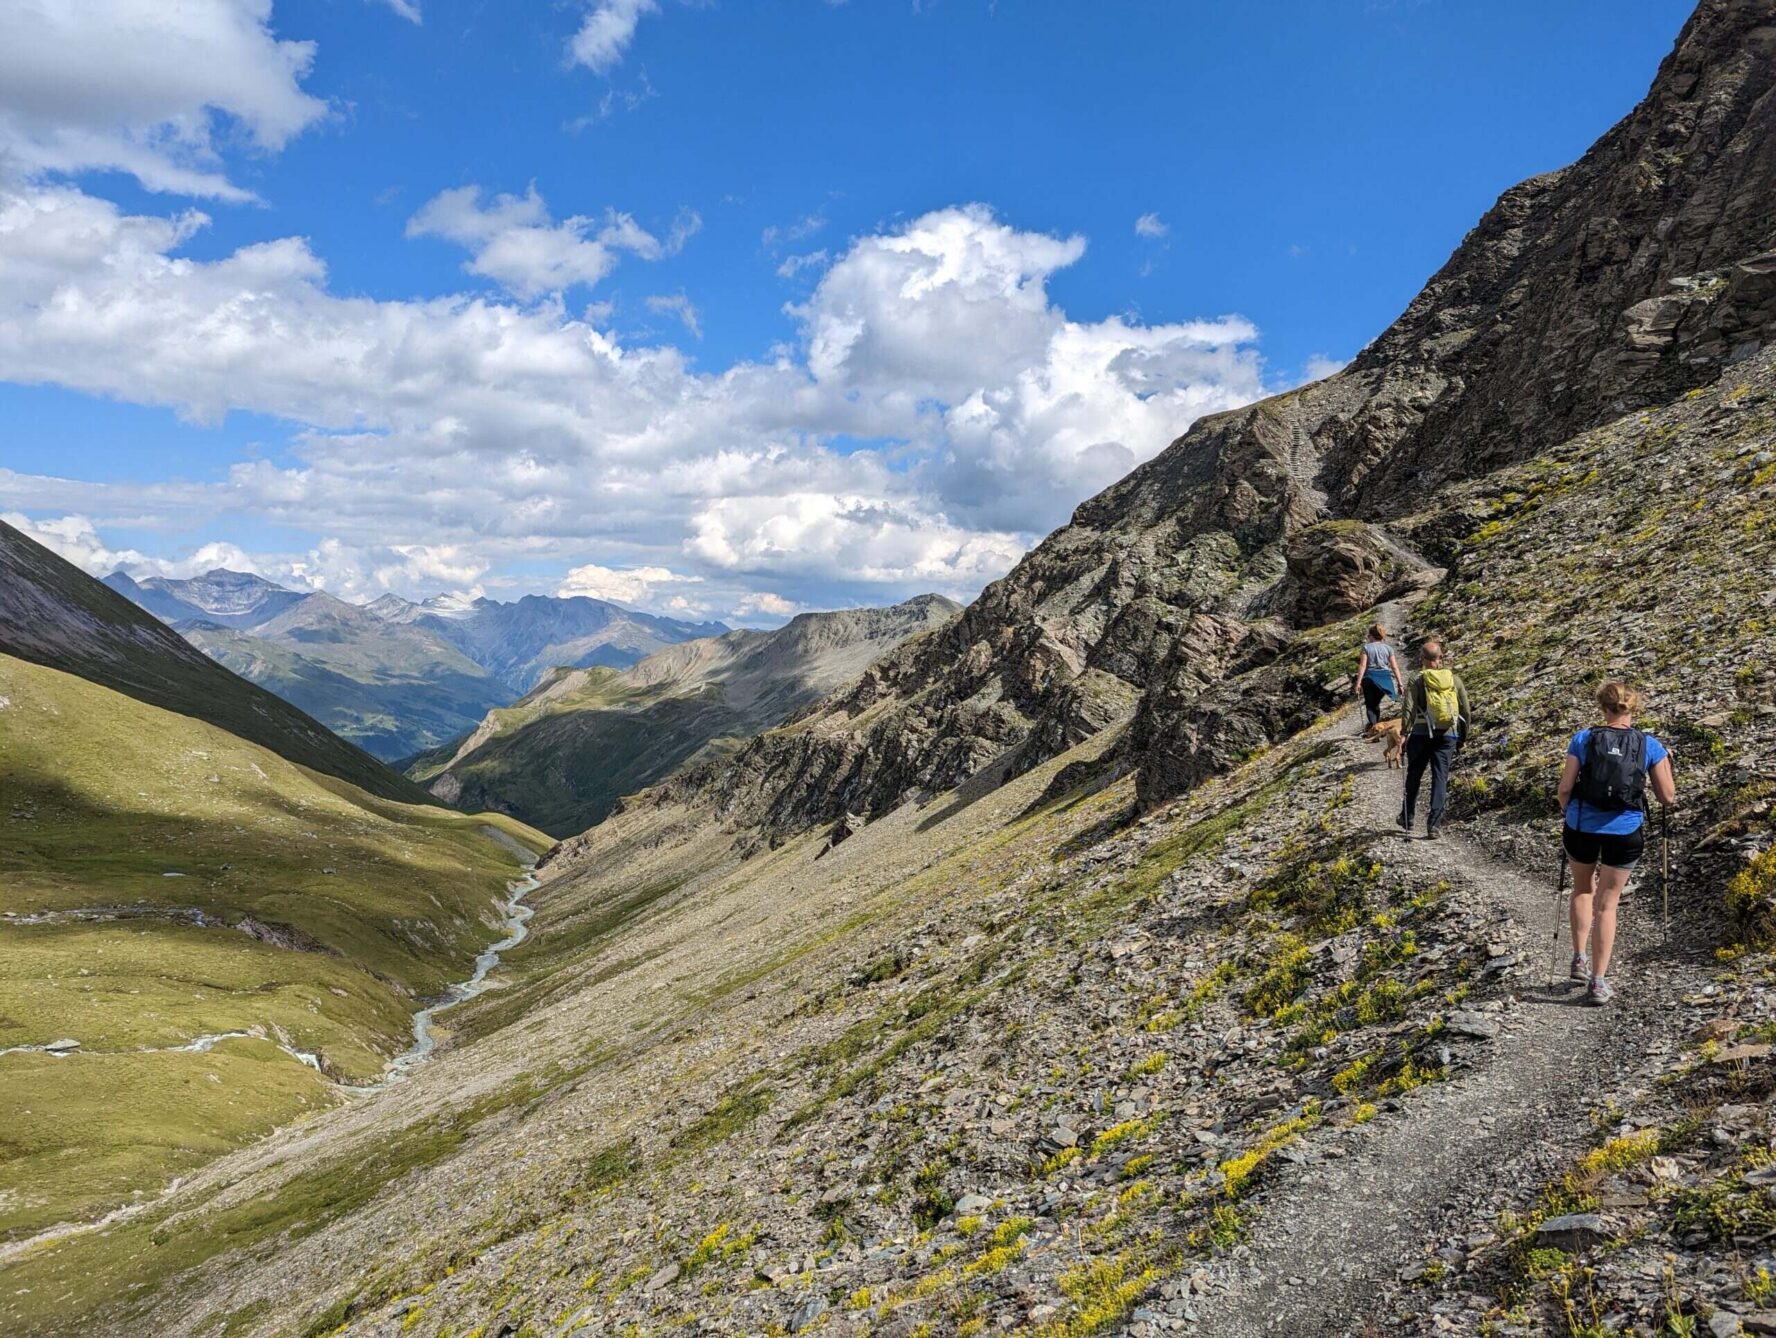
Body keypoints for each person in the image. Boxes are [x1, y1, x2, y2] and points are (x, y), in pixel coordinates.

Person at [1555, 682, 1676, 1005]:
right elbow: (1667, 797)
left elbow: (1565, 788)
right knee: (1608, 903)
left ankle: (1579, 957)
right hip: (1624, 829)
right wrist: (1666, 763)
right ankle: (1598, 981)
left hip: (1581, 825)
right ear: (1633, 708)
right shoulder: (1650, 745)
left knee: (1583, 889)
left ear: (1603, 707)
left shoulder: (1584, 738)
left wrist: (1569, 813)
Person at [1397, 640, 1469, 840]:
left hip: (1420, 734)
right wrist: (1462, 736)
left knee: (1414, 776)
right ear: (1440, 658)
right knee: (1440, 778)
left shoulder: (1417, 679)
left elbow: (1409, 708)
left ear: (1422, 659)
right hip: (1448, 735)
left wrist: (1404, 732)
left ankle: (1408, 818)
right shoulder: (1454, 679)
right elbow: (1465, 710)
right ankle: (1434, 825)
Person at [1353, 622, 1403, 729]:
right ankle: (1376, 726)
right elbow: (1394, 667)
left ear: (1371, 636)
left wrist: (1358, 683)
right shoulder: (1388, 649)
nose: (1368, 638)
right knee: (1376, 703)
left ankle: (1374, 726)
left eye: (1368, 636)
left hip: (1370, 677)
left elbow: (1362, 665)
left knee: (1370, 704)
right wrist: (1400, 684)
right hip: (1385, 677)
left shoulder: (1366, 648)